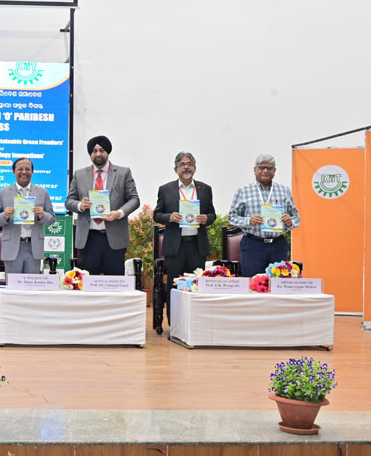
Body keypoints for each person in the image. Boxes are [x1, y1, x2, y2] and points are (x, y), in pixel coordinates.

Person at [153, 152, 216, 323]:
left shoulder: (205, 189)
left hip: (197, 245)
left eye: (189, 164)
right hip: (176, 247)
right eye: (182, 164)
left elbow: (212, 214)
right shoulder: (166, 189)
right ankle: (174, 325)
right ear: (176, 169)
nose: (186, 167)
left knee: (195, 286)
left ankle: (194, 324)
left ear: (195, 168)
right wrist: (169, 217)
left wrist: (206, 218)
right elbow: (157, 215)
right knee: (174, 286)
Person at [65, 135, 140, 275]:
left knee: (115, 282)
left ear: (108, 152)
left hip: (114, 237)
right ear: (90, 154)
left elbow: (134, 199)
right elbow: (69, 201)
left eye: (102, 150)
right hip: (88, 238)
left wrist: (119, 213)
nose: (98, 154)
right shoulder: (80, 174)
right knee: (88, 282)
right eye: (94, 151)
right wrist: (81, 205)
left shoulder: (123, 173)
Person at [228, 153, 300, 277]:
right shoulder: (243, 191)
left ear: (274, 171)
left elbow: (296, 218)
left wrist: (290, 222)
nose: (265, 170)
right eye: (261, 167)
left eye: (269, 168)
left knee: (279, 283)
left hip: (278, 246)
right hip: (253, 245)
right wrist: (248, 221)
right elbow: (232, 217)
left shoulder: (284, 190)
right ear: (255, 170)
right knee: (252, 283)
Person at [0, 157, 56, 274]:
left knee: (31, 284)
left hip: (34, 247)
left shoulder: (43, 192)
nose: (24, 172)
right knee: (12, 284)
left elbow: (51, 219)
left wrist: (42, 215)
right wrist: (5, 215)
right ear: (14, 171)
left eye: (27, 169)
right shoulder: (3, 193)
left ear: (32, 171)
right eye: (20, 169)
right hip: (11, 247)